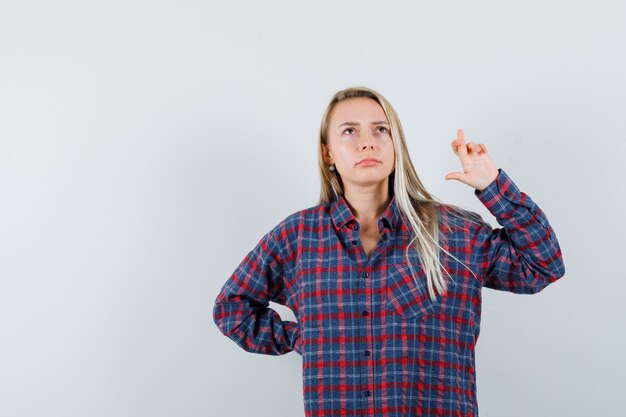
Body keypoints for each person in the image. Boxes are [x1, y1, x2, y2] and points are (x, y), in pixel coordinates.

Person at [212, 86, 565, 417]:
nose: (368, 142)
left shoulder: (455, 233)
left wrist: (493, 186)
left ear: (397, 144)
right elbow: (232, 308)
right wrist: (300, 337)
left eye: (381, 130)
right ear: (328, 152)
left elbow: (542, 266)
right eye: (350, 131)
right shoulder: (298, 237)